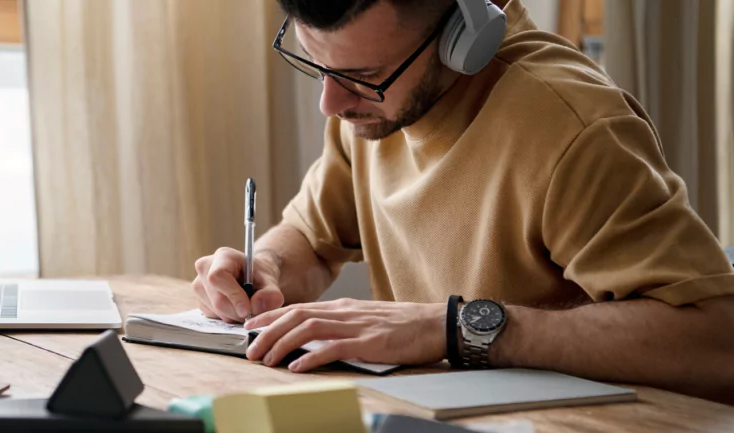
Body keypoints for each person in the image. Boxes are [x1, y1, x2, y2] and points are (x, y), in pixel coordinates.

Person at [191, 0, 734, 403]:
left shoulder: (572, 129)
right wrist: (264, 268)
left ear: (463, 35)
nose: (329, 103)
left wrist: (451, 329)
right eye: (315, 62)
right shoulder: (369, 110)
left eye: (363, 77)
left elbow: (714, 340)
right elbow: (312, 239)